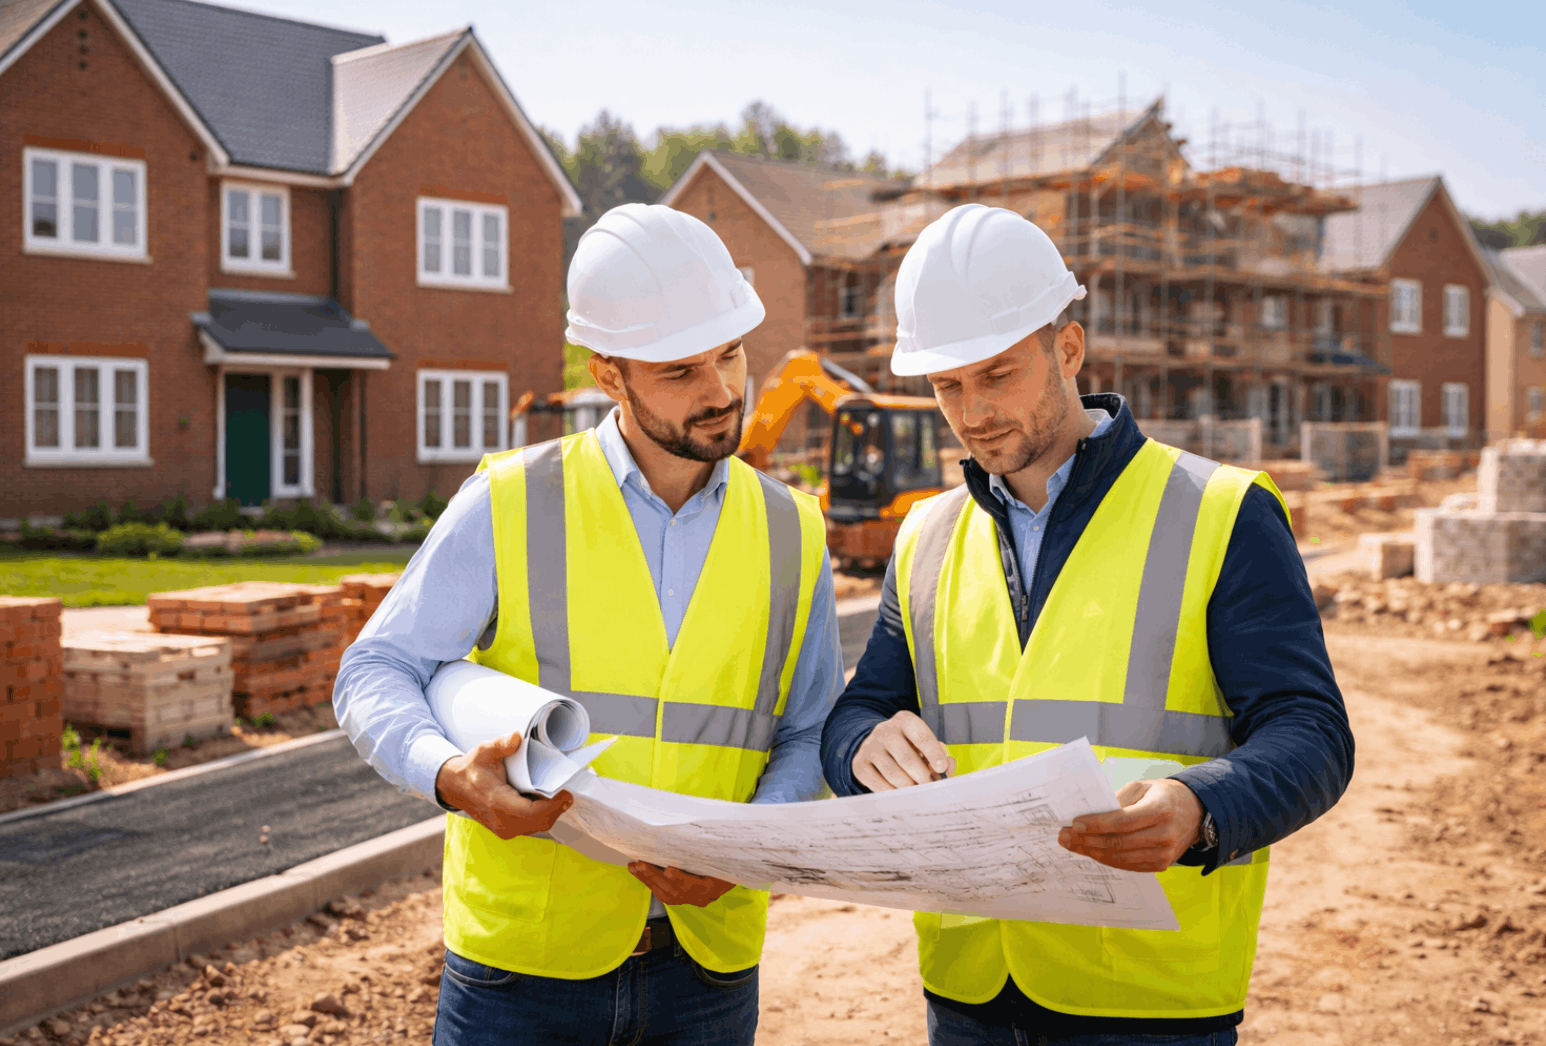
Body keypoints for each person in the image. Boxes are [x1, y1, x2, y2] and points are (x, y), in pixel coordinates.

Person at [820, 203, 1354, 1046]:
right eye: (947, 386)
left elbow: (1313, 734)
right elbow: (863, 708)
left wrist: (1197, 805)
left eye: (997, 374)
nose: (972, 412)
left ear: (1067, 349)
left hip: (1147, 998)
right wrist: (857, 747)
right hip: (969, 991)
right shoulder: (924, 534)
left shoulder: (1221, 512)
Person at [336, 203, 842, 1046]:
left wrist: (747, 846)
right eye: (680, 371)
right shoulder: (511, 499)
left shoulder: (795, 528)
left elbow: (807, 726)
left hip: (706, 967)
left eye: (729, 355)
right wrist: (451, 776)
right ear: (611, 375)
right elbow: (376, 669)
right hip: (522, 968)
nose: (720, 393)